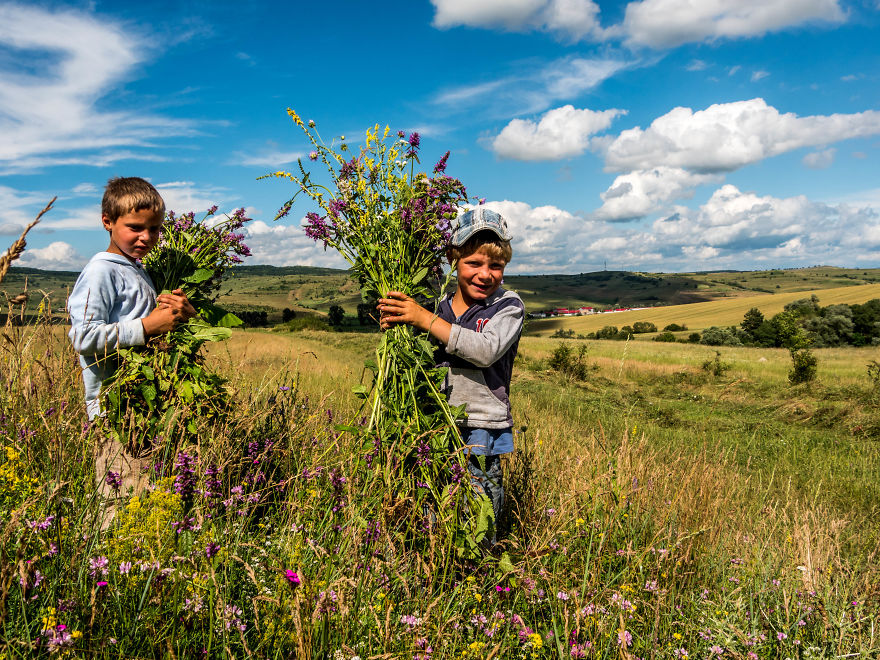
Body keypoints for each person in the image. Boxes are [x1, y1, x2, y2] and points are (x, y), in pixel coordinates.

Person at [377, 207, 524, 544]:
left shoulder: (508, 307)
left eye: (496, 266)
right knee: (432, 522)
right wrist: (398, 321)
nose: (485, 274)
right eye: (474, 263)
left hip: (481, 434)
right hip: (434, 429)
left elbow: (484, 351)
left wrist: (422, 319)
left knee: (478, 524)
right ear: (453, 261)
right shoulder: (437, 306)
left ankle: (477, 585)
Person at [67, 177, 196, 524]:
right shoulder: (100, 271)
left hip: (145, 405)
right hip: (115, 410)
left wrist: (180, 315)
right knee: (119, 498)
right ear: (107, 221)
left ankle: (139, 567)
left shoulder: (136, 270)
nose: (146, 238)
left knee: (145, 495)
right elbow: (83, 337)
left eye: (154, 229)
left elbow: (153, 327)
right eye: (135, 228)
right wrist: (147, 327)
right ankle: (105, 568)